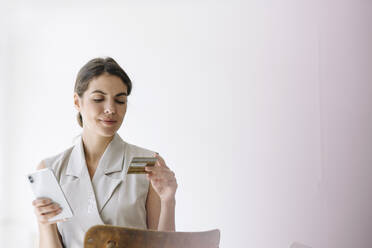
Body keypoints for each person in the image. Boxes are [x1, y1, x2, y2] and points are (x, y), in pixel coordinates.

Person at [31, 57, 177, 248]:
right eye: (99, 99)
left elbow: (165, 246)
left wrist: (168, 200)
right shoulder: (51, 169)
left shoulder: (145, 163)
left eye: (120, 100)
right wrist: (45, 223)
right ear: (77, 101)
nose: (111, 109)